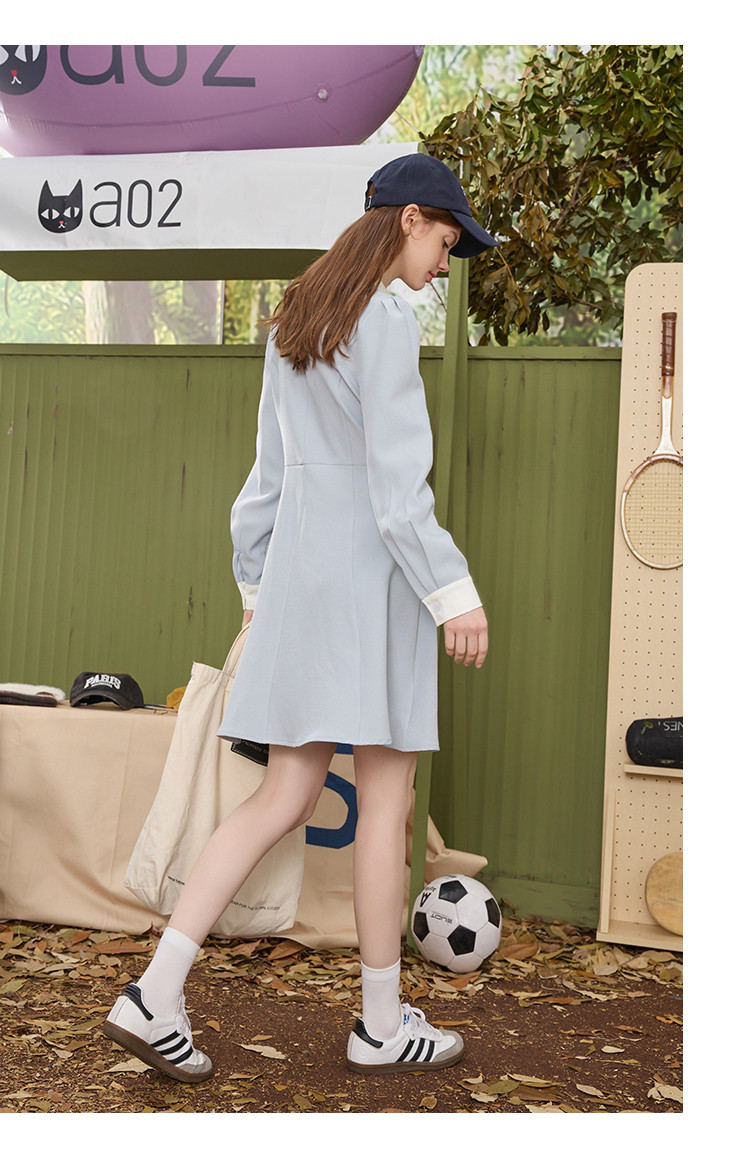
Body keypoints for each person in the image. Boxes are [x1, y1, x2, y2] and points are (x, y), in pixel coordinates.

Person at [103, 152, 496, 1082]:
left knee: (280, 796)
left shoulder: (297, 316)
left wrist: (256, 591)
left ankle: (155, 989)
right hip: (374, 591)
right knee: (386, 808)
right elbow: (397, 493)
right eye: (446, 241)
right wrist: (455, 592)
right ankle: (380, 1024)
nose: (445, 262)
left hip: (299, 587)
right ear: (409, 219)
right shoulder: (385, 319)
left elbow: (264, 483)